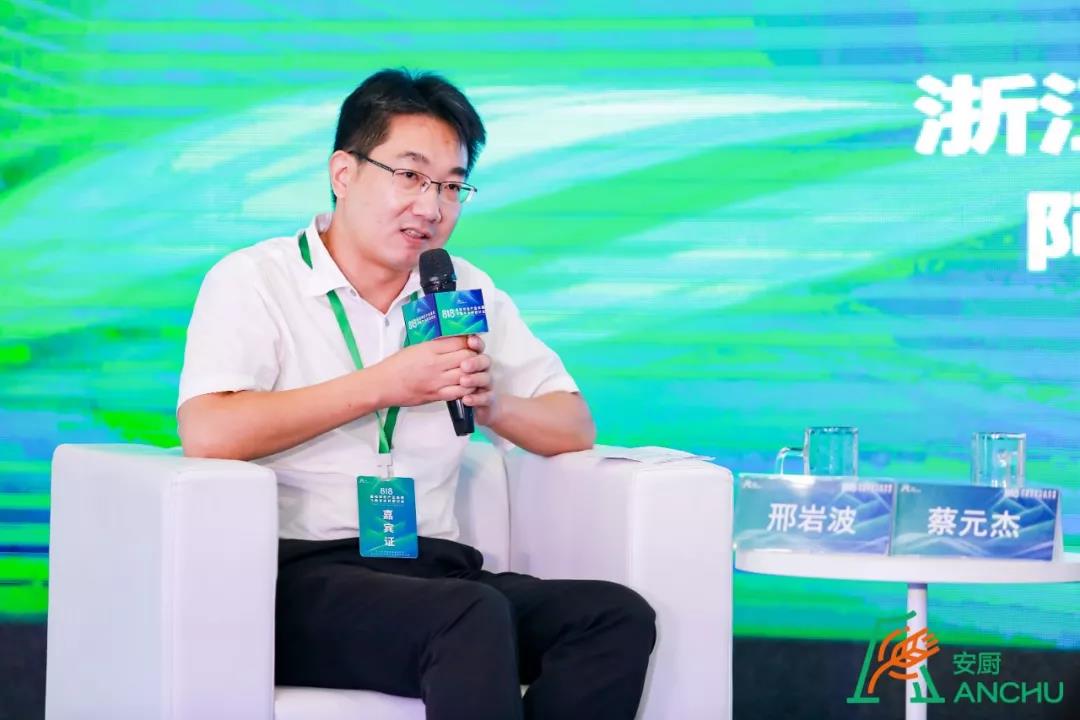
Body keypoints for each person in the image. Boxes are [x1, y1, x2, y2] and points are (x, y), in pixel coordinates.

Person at [176, 69, 656, 720]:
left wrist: (491, 402)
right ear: (343, 173)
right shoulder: (256, 281)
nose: (431, 208)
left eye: (452, 186)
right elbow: (208, 431)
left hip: (433, 572)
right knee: (468, 616)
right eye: (410, 175)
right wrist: (384, 384)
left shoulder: (462, 290)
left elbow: (573, 425)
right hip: (299, 581)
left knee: (613, 617)